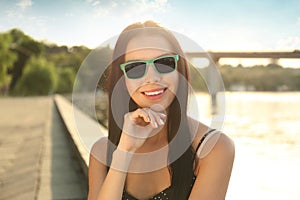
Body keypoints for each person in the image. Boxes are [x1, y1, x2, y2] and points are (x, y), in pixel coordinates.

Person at [88, 20, 235, 200]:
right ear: (122, 79)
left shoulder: (214, 148)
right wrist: (124, 152)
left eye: (164, 62)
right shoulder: (102, 152)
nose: (152, 77)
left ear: (179, 69)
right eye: (135, 67)